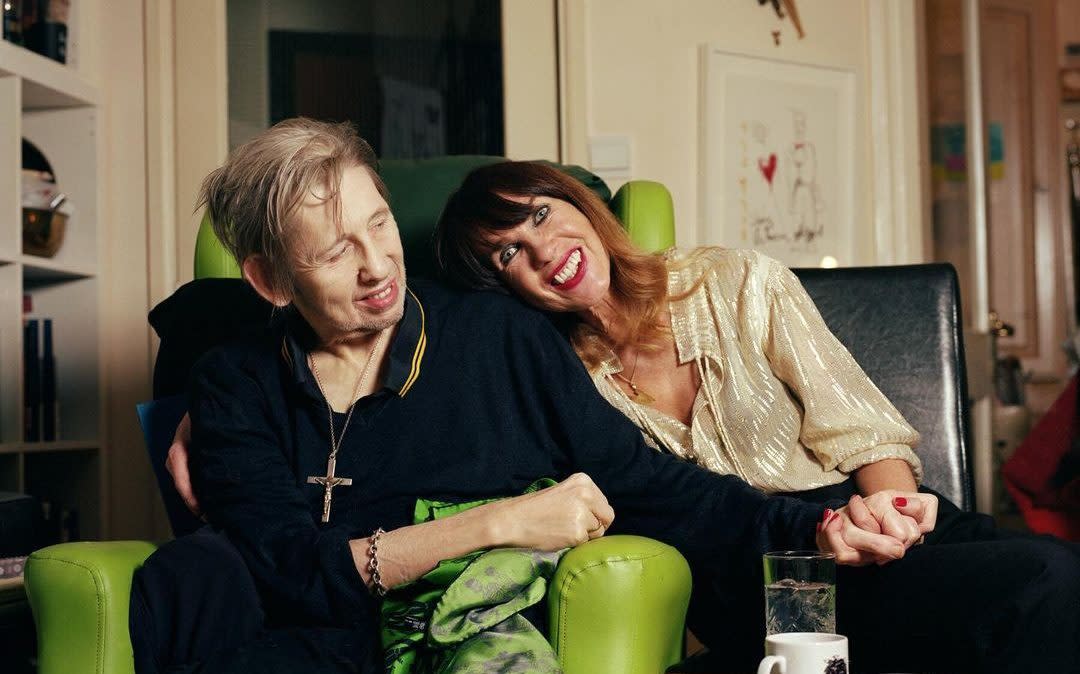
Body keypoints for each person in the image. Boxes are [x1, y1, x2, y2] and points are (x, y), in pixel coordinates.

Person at [139, 119, 923, 674]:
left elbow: (648, 483)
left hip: (465, 636)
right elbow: (291, 570)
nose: (377, 266)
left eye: (380, 226)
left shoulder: (498, 337)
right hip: (295, 642)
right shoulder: (231, 380)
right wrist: (503, 521)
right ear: (270, 282)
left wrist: (816, 526)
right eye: (337, 251)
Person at [431, 160, 1080, 673]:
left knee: (1058, 570)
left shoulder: (734, 280)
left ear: (579, 203)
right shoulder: (560, 384)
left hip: (866, 521)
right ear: (503, 288)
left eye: (542, 214)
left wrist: (892, 520)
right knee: (1044, 584)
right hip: (767, 580)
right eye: (508, 253)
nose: (544, 250)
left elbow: (865, 430)